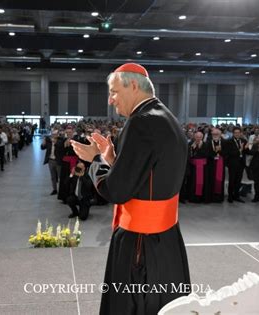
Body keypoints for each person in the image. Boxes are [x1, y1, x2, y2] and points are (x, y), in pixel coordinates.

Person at [71, 63, 190, 315]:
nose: (110, 99)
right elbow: (149, 176)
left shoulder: (141, 122)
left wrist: (95, 161)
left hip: (140, 242)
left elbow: (116, 191)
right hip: (165, 237)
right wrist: (113, 159)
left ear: (133, 85)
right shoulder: (165, 117)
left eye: (114, 91)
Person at [224, 127, 249, 203]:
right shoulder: (229, 141)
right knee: (232, 181)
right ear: (233, 133)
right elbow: (228, 153)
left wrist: (247, 148)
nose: (237, 134)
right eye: (235, 133)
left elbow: (246, 152)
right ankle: (230, 197)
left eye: (238, 132)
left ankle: (236, 196)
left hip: (241, 164)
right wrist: (240, 150)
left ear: (240, 133)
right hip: (232, 164)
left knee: (238, 181)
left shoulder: (244, 140)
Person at [186, 131, 210, 203]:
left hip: (203, 168)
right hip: (193, 167)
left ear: (202, 137)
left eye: (200, 137)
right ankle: (192, 197)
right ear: (194, 137)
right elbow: (189, 155)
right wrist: (193, 149)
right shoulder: (190, 144)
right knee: (192, 182)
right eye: (197, 137)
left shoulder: (206, 144)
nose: (198, 138)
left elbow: (207, 155)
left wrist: (199, 148)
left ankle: (201, 198)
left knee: (202, 182)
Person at [41, 130, 64, 195]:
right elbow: (42, 148)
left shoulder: (60, 141)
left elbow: (61, 147)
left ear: (57, 135)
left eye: (55, 134)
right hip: (50, 161)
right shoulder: (49, 142)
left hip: (58, 161)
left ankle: (61, 190)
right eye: (53, 134)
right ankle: (54, 189)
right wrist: (43, 143)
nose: (54, 135)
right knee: (53, 176)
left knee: (59, 176)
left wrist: (55, 142)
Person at [206, 128, 226, 202]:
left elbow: (227, 153)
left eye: (217, 134)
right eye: (214, 134)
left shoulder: (224, 142)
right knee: (211, 180)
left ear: (220, 135)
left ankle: (219, 198)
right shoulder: (208, 142)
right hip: (211, 165)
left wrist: (221, 153)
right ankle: (211, 197)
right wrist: (213, 156)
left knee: (220, 180)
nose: (215, 135)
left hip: (221, 164)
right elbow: (206, 153)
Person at [248, 135, 259, 202]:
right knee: (256, 183)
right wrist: (258, 150)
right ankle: (256, 197)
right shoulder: (255, 145)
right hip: (256, 168)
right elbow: (250, 152)